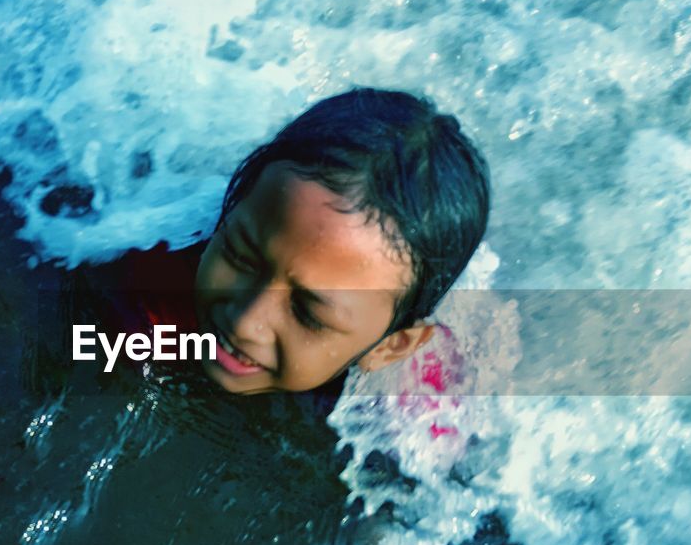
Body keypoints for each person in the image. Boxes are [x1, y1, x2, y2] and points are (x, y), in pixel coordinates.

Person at [87, 87, 491, 399]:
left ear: (390, 347)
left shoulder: (416, 406)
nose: (246, 322)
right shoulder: (151, 277)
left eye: (309, 312)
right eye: (240, 256)